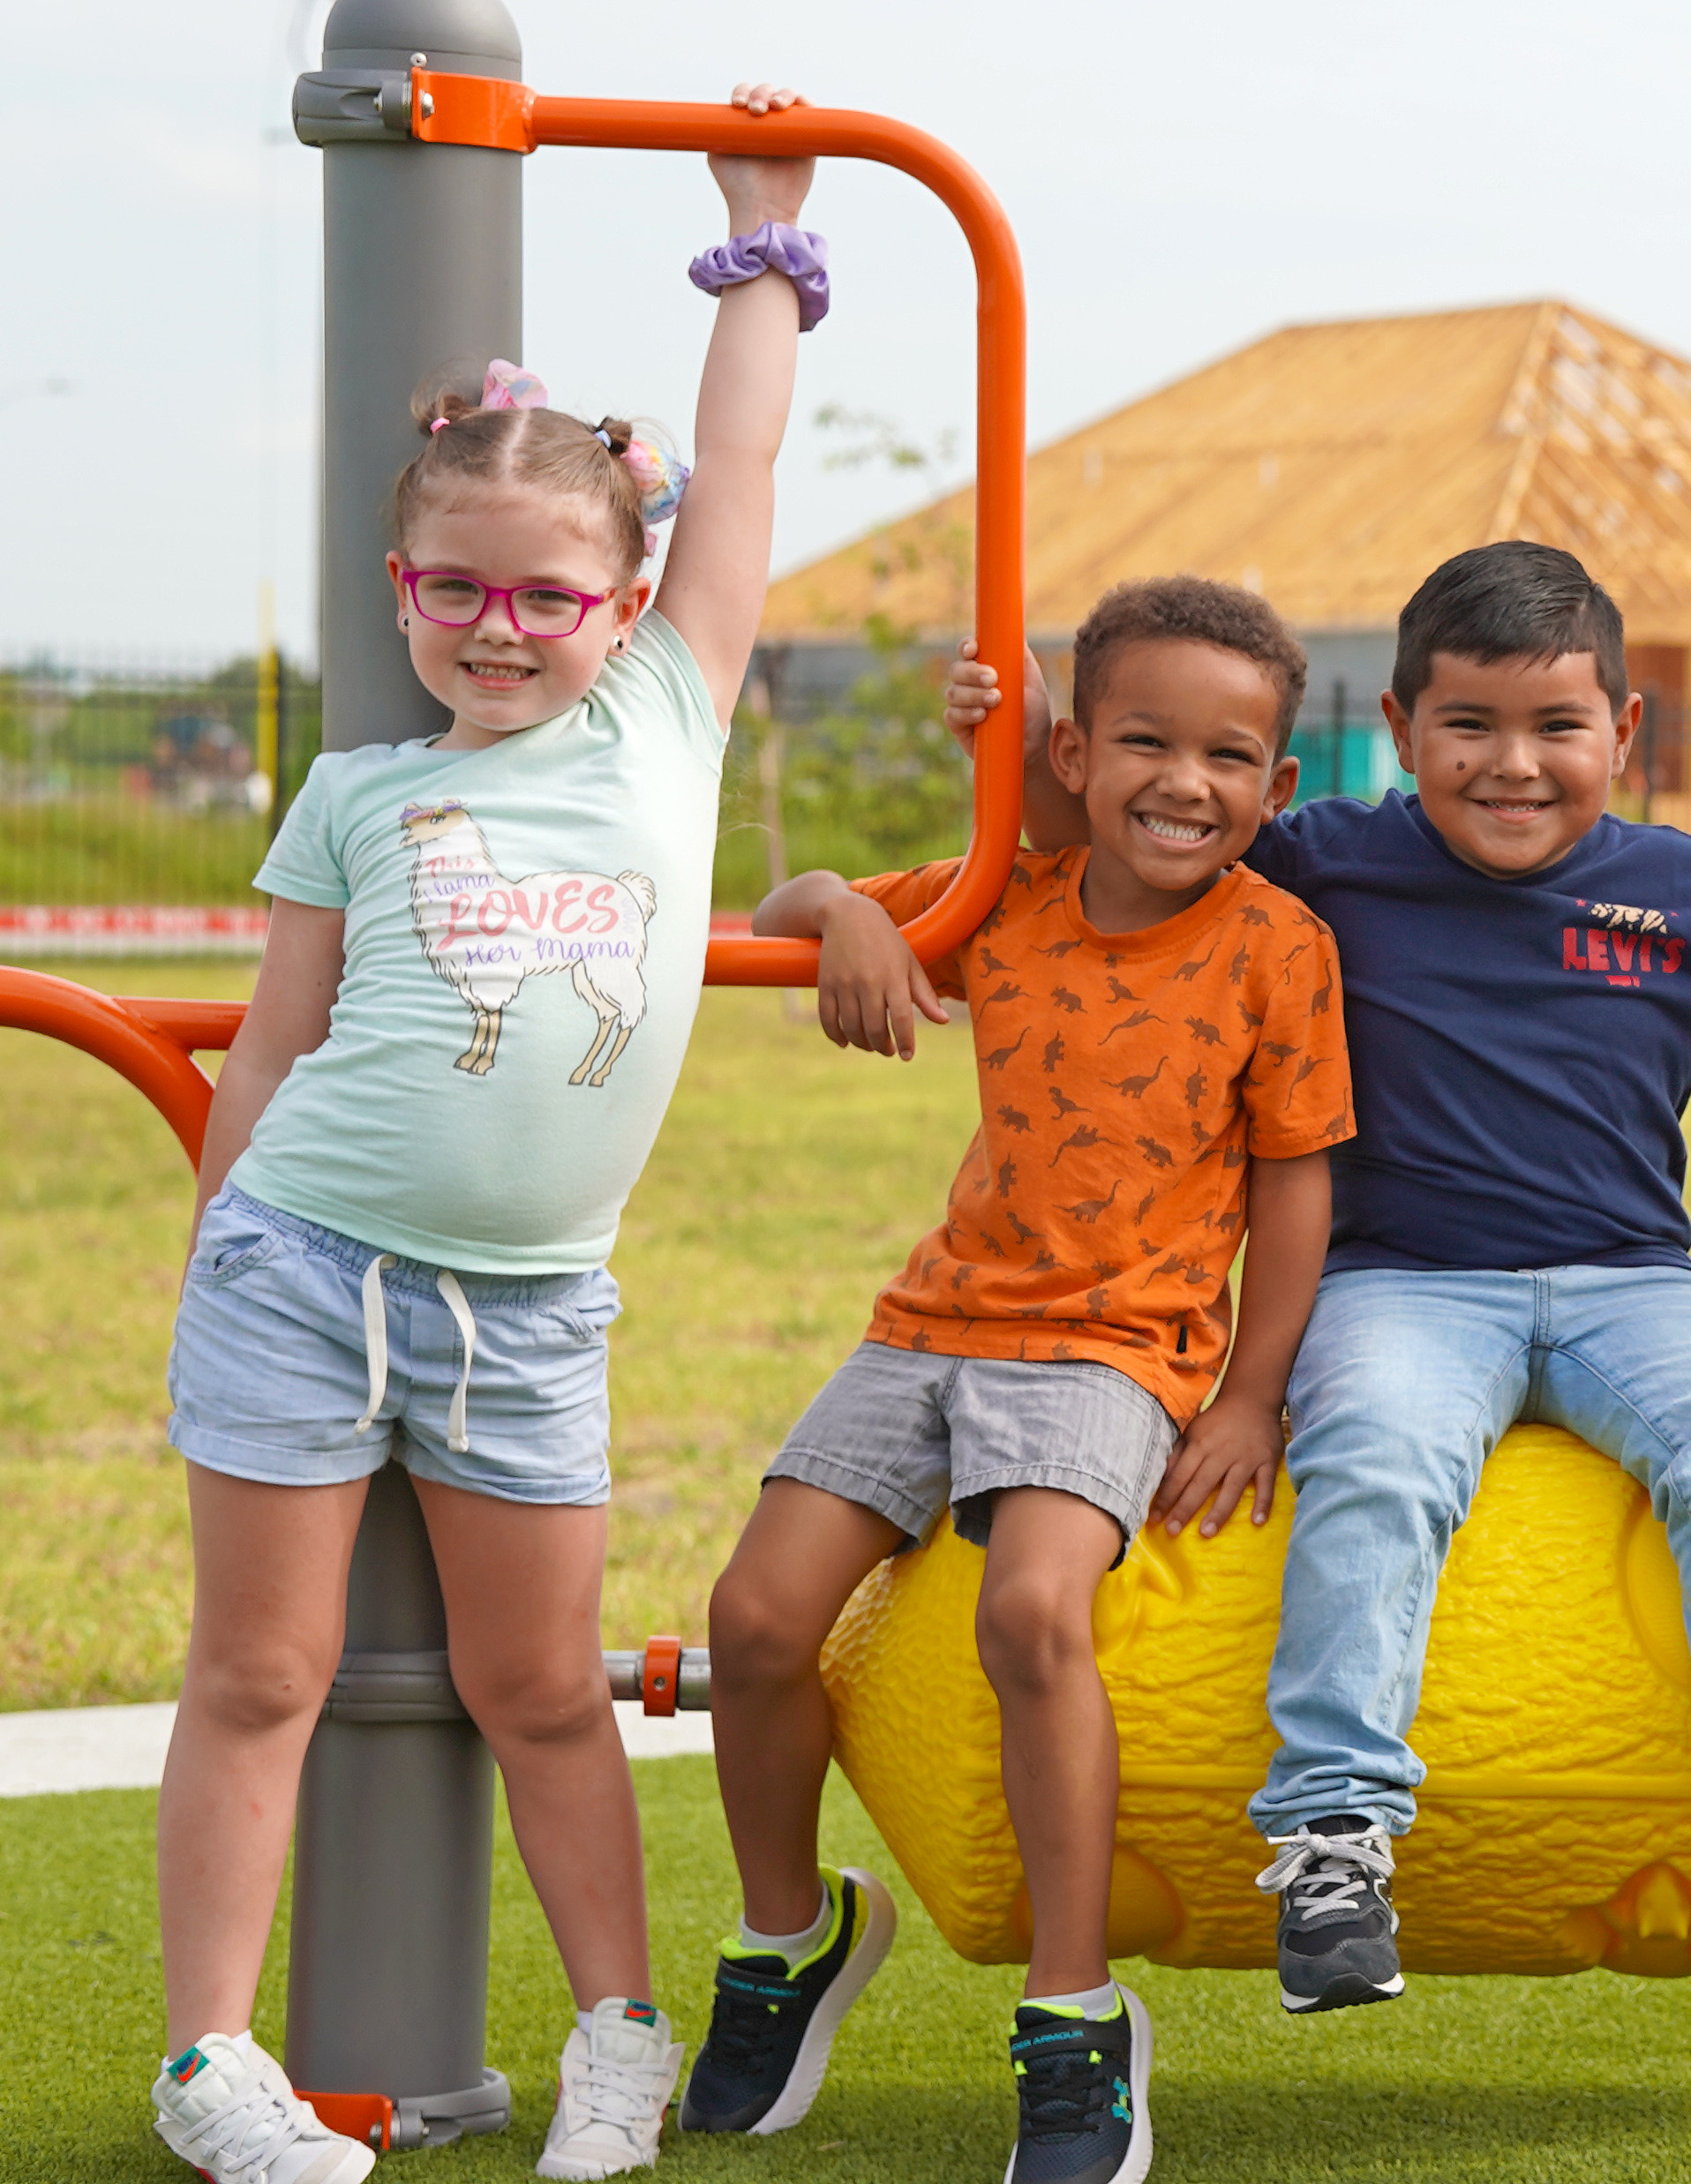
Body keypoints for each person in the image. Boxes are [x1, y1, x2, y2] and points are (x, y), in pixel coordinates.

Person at [946, 537, 1691, 2014]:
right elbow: (1123, 828)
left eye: (1556, 728)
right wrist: (1013, 730)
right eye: (1469, 726)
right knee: (1378, 1462)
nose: (1512, 766)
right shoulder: (1326, 859)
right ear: (1401, 734)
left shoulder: (1686, 890)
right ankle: (1335, 1829)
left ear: (1624, 734)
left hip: (1629, 1278)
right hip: (1402, 1281)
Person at [148, 84, 819, 2184]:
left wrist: (762, 234)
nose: (498, 626)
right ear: (402, 581)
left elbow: (750, 472)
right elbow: (275, 1047)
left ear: (622, 600)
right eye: (456, 591)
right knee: (262, 1669)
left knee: (541, 1686)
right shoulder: (357, 785)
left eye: (545, 594)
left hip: (528, 1303)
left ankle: (614, 2033)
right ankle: (211, 2065)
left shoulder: (669, 714)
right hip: (304, 1262)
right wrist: (222, 1232)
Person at [689, 577, 1350, 2182]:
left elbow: (1295, 1186)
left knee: (1033, 1614)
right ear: (1071, 748)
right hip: (936, 1322)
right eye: (1143, 741)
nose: (1183, 783)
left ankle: (1075, 2020)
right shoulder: (1005, 892)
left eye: (1230, 757)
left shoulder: (1280, 946)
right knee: (756, 1621)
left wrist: (1253, 1393)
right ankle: (795, 1934)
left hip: (1120, 1343)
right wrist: (848, 912)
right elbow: (792, 898)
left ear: (1278, 784)